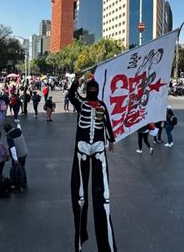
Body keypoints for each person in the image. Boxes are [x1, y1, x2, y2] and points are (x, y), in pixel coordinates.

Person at [68, 76, 117, 252]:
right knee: (80, 194)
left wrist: (111, 139)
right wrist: (76, 81)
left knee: (103, 192)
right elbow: (71, 95)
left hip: (97, 146)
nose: (93, 92)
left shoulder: (102, 106)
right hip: (82, 146)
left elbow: (107, 122)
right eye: (91, 89)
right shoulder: (82, 104)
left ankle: (106, 242)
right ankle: (80, 237)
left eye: (94, 89)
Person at [4, 123, 28, 192]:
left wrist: (15, 158)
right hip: (24, 152)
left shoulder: (9, 136)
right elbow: (19, 126)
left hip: (18, 155)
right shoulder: (18, 130)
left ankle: (18, 186)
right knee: (22, 168)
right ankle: (24, 183)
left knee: (17, 171)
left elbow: (13, 148)